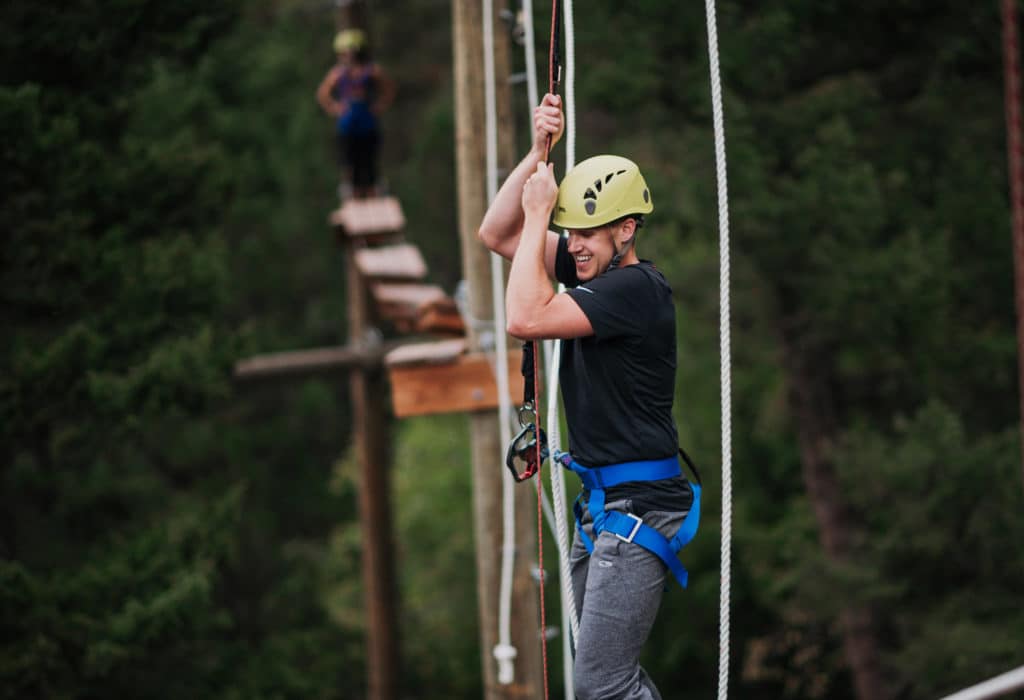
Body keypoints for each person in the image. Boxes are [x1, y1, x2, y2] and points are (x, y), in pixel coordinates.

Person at [478, 93, 699, 700]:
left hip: (640, 511)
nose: (573, 244)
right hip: (607, 508)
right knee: (605, 683)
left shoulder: (636, 289)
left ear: (626, 230)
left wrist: (538, 217)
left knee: (601, 686)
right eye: (568, 232)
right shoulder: (593, 272)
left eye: (588, 233)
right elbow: (496, 233)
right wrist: (536, 155)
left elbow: (525, 314)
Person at [316, 28, 395, 198]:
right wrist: (334, 107)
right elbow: (323, 93)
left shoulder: (371, 71)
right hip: (348, 124)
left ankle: (373, 188)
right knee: (349, 160)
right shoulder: (338, 73)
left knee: (369, 158)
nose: (345, 56)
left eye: (348, 52)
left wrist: (380, 105)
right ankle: (351, 190)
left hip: (367, 123)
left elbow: (388, 89)